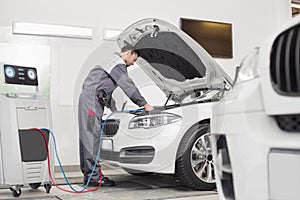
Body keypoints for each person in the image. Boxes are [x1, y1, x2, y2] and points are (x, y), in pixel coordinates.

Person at [78, 46, 154, 187]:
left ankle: (89, 176)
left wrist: (115, 110)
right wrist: (144, 104)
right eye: (134, 59)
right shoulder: (117, 63)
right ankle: (94, 178)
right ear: (129, 53)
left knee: (87, 137)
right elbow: (128, 85)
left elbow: (104, 89)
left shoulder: (110, 61)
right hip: (91, 102)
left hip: (90, 101)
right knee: (92, 137)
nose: (133, 63)